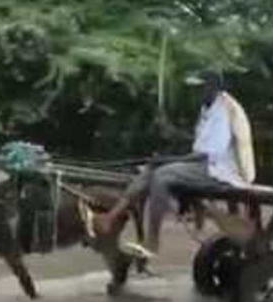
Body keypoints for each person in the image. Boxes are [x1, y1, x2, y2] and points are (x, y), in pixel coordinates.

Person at [95, 70, 256, 255]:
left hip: (222, 171)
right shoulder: (209, 107)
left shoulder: (223, 110)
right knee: (150, 170)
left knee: (161, 175)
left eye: (198, 88)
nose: (194, 93)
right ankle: (110, 217)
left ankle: (152, 242)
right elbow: (201, 146)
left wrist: (168, 160)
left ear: (212, 88)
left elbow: (206, 155)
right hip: (208, 166)